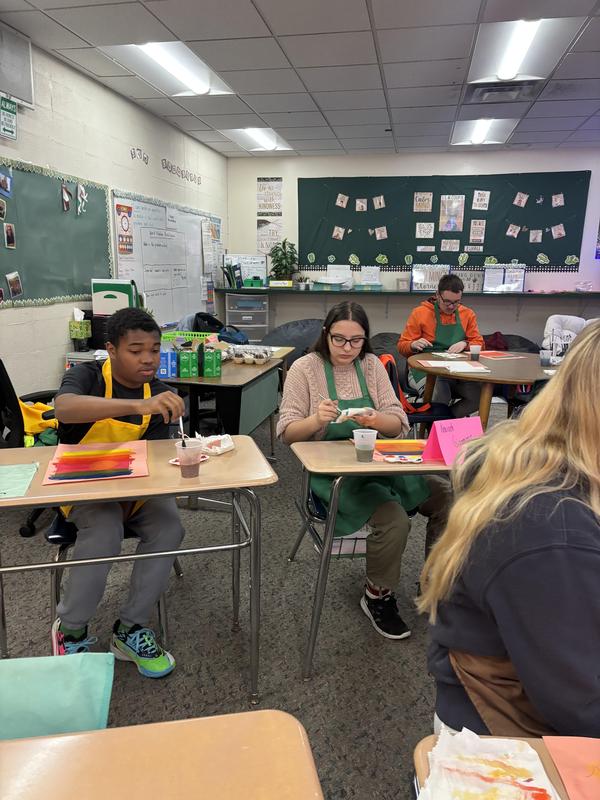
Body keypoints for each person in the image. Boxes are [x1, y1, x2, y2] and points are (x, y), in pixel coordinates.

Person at [418, 320, 600, 737]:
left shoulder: (543, 488)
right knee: (395, 515)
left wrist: (472, 342)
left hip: (530, 701)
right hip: (505, 744)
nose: (449, 307)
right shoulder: (551, 527)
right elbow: (580, 705)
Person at [278, 301, 450, 640]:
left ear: (365, 340)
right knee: (393, 519)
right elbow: (286, 432)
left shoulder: (371, 365)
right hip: (334, 476)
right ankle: (377, 594)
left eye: (356, 341)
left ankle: (435, 581)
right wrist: (315, 420)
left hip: (382, 464)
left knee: (449, 498)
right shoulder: (304, 368)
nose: (347, 348)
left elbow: (398, 423)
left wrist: (376, 419)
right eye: (339, 339)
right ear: (326, 335)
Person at [52, 307, 186, 678]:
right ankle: (72, 628)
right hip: (85, 486)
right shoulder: (88, 375)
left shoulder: (161, 393)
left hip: (136, 486)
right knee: (106, 530)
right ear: (111, 349)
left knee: (169, 527)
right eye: (136, 350)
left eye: (155, 349)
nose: (148, 358)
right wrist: (137, 405)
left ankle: (130, 628)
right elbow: (64, 408)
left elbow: (158, 458)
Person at [398, 274, 484, 417]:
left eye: (456, 302)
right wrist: (413, 344)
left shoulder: (467, 314)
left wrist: (465, 343)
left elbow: (479, 343)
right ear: (437, 295)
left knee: (479, 397)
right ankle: (439, 425)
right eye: (447, 302)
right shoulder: (420, 313)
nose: (451, 307)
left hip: (457, 371)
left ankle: (444, 421)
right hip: (424, 371)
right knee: (440, 395)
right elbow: (401, 346)